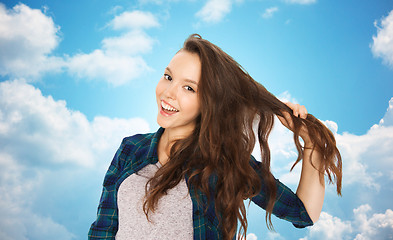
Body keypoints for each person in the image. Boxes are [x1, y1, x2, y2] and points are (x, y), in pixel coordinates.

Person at [88, 34, 342, 240]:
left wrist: (312, 146)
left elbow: (303, 213)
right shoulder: (130, 149)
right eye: (168, 77)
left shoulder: (226, 163)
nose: (168, 93)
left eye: (189, 88)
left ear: (210, 102)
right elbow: (103, 230)